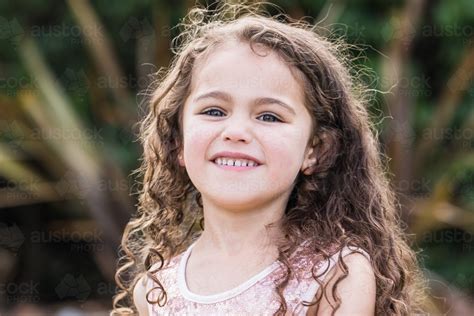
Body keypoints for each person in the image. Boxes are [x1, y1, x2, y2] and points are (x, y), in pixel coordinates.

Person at [112, 1, 429, 315]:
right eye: (213, 111)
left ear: (315, 150)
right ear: (178, 141)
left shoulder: (335, 275)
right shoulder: (155, 291)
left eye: (269, 116)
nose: (236, 131)